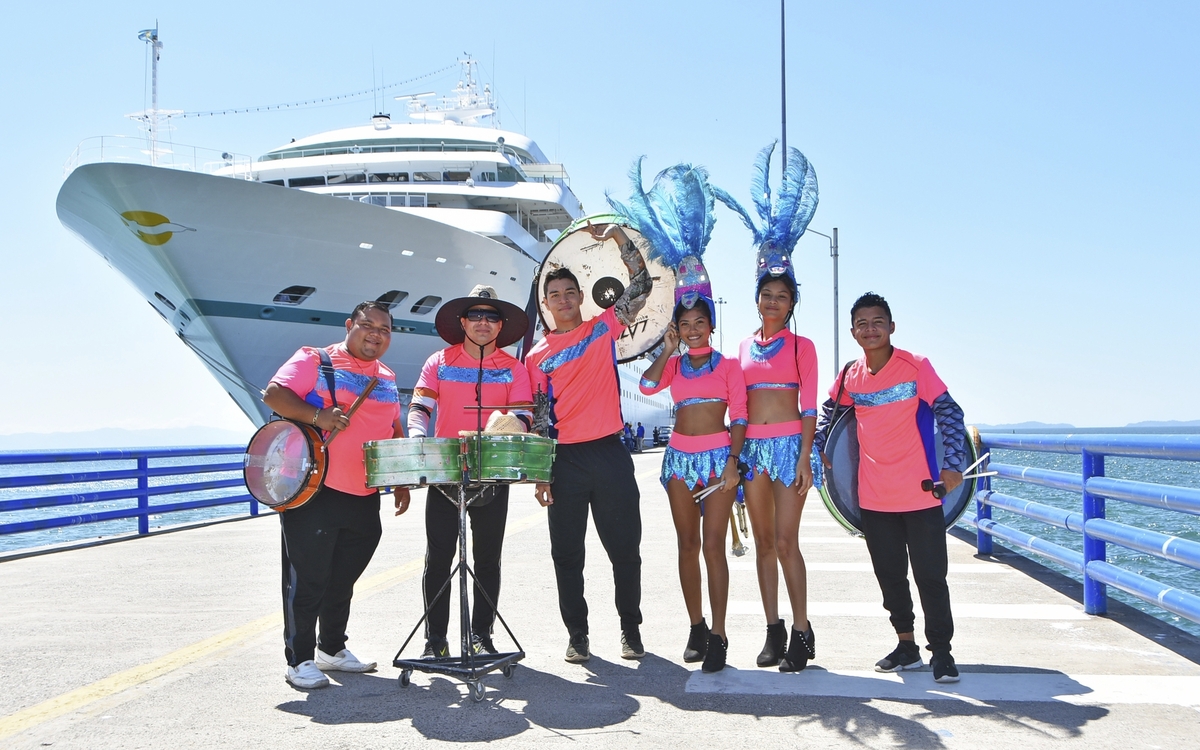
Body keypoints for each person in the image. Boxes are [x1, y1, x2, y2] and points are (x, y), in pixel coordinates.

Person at [815, 292, 967, 684]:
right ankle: (906, 646)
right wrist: (818, 449)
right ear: (853, 332)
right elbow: (829, 412)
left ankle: (943, 653)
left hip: (921, 493)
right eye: (862, 324)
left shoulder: (915, 366)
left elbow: (949, 411)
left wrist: (953, 466)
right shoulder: (851, 374)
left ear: (891, 326)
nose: (870, 329)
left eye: (877, 321)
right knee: (891, 577)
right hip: (874, 497)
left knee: (931, 577)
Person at [262, 301, 411, 690]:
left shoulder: (386, 375)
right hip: (316, 488)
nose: (375, 334)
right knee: (308, 577)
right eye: (367, 325)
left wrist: (400, 478)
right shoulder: (316, 359)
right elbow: (274, 395)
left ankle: (332, 648)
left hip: (364, 492)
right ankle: (299, 659)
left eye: (384, 329)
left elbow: (393, 427)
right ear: (349, 325)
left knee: (343, 578)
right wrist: (319, 417)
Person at [715, 142, 822, 672]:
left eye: (782, 295)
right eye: (767, 294)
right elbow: (736, 407)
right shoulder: (740, 347)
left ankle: (802, 632)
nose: (773, 301)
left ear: (792, 303)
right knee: (760, 542)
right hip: (753, 451)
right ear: (757, 298)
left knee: (786, 540)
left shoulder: (804, 347)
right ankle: (773, 630)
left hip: (788, 451)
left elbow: (808, 409)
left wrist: (805, 458)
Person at [525, 221, 651, 663]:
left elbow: (641, 285)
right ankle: (577, 635)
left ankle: (630, 630)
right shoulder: (535, 357)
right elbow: (540, 416)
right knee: (567, 556)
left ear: (581, 296)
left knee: (625, 551)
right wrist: (542, 474)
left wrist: (618, 237)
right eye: (554, 295)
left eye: (569, 292)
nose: (563, 300)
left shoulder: (603, 329)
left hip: (610, 454)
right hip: (564, 462)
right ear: (546, 303)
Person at [407, 285, 532, 658]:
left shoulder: (514, 368)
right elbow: (419, 409)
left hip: (493, 471)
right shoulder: (439, 362)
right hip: (446, 470)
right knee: (439, 557)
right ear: (462, 321)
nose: (483, 322)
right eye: (475, 315)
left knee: (488, 559)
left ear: (500, 326)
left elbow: (525, 417)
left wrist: (502, 429)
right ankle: (435, 642)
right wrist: (417, 438)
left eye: (491, 316)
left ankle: (481, 636)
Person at [640, 298, 746, 672]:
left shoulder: (730, 366)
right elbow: (646, 385)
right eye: (685, 324)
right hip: (680, 461)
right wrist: (667, 348)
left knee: (713, 545)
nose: (693, 329)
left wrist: (733, 462)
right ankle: (696, 627)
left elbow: (740, 416)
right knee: (688, 544)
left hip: (719, 462)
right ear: (678, 330)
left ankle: (719, 633)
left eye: (700, 321)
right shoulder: (674, 365)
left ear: (711, 326)